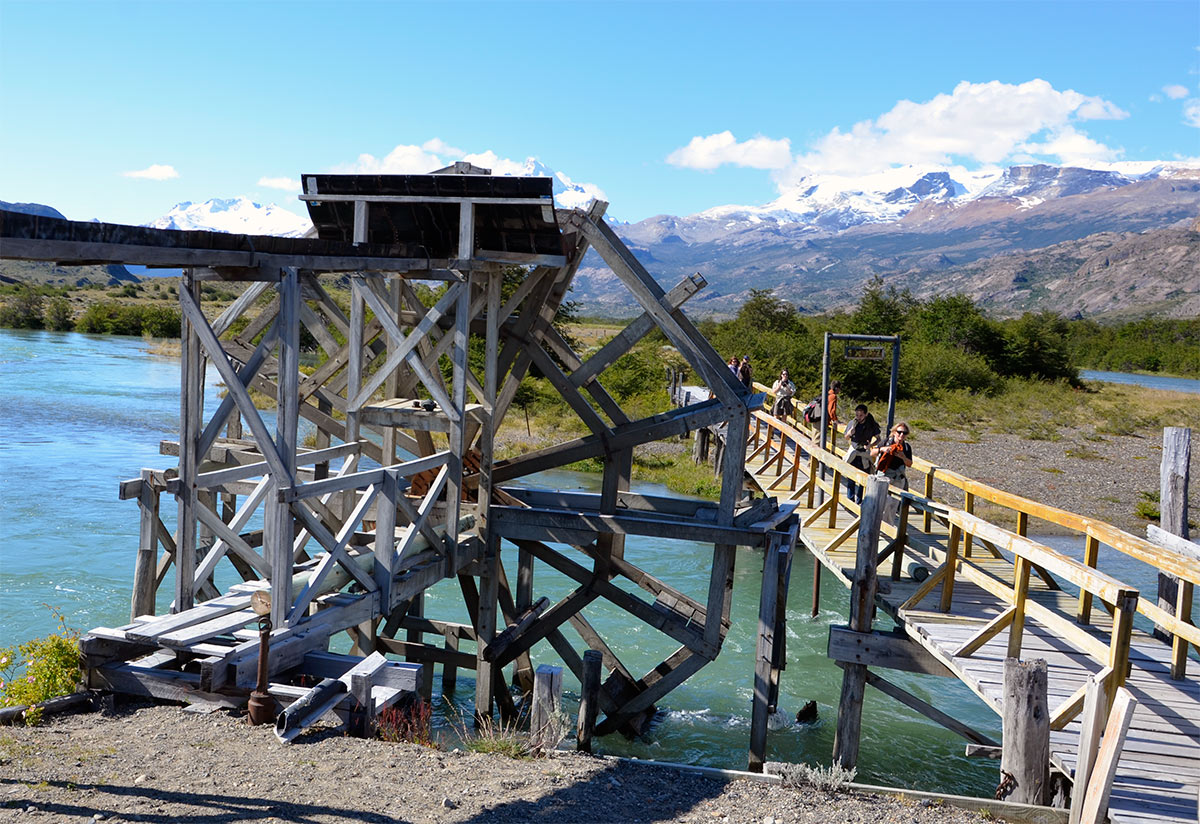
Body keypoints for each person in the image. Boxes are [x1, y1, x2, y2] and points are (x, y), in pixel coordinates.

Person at [843, 403, 881, 503]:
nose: (858, 417)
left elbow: (879, 439)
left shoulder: (871, 424)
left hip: (864, 454)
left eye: (861, 415)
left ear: (866, 414)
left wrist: (871, 445)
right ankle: (850, 500)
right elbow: (846, 437)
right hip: (854, 452)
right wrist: (850, 433)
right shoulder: (852, 423)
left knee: (863, 479)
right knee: (851, 478)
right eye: (857, 415)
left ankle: (859, 500)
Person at [873, 422, 913, 489]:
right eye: (899, 432)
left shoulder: (906, 447)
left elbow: (909, 464)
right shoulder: (886, 442)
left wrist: (903, 457)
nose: (901, 434)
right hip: (884, 475)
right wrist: (882, 449)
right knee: (881, 494)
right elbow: (872, 453)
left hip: (898, 478)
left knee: (896, 495)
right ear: (894, 432)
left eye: (904, 433)